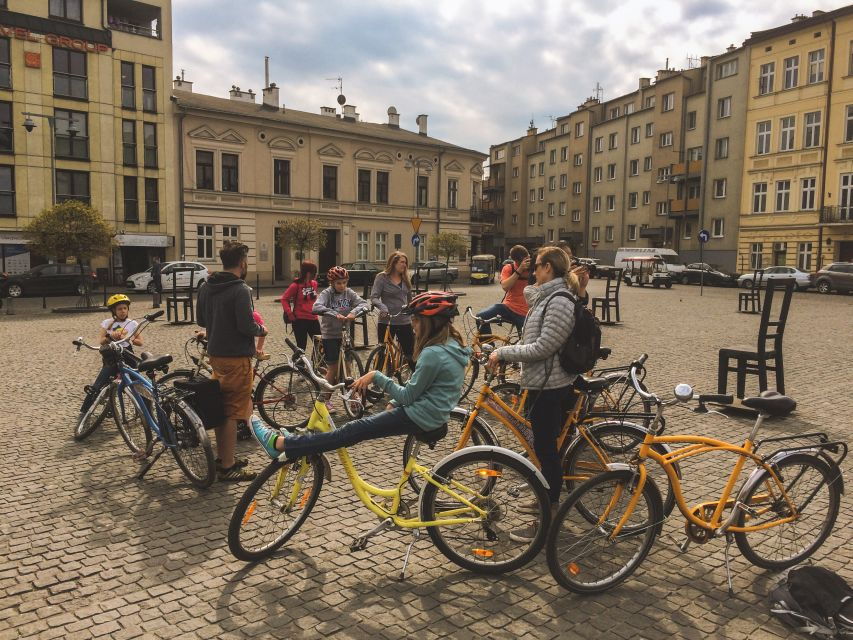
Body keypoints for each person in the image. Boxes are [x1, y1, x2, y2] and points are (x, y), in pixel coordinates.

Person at [250, 292, 471, 461]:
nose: (412, 325)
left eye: (415, 320)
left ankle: (281, 444)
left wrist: (376, 376)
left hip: (422, 416)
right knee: (356, 429)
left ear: (428, 321)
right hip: (432, 412)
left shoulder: (432, 354)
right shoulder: (451, 345)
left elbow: (409, 395)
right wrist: (394, 400)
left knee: (353, 429)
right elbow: (424, 389)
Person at [486, 247, 580, 540]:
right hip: (540, 383)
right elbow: (528, 298)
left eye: (537, 266)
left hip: (551, 387)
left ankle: (547, 516)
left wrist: (505, 352)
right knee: (542, 448)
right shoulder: (548, 296)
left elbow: (543, 347)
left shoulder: (560, 302)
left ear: (549, 268)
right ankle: (544, 497)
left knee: (547, 452)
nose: (531, 271)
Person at [197, 241, 267, 481]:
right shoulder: (241, 290)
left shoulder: (207, 286)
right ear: (242, 262)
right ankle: (227, 466)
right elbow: (246, 326)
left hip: (216, 355)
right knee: (232, 412)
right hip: (237, 357)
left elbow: (201, 320)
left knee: (222, 407)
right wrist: (261, 329)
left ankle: (224, 458)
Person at [78, 294, 142, 419]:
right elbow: (101, 341)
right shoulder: (108, 323)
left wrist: (128, 338)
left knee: (138, 383)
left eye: (124, 308)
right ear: (114, 311)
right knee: (100, 383)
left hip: (128, 354)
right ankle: (85, 411)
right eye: (119, 309)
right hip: (112, 355)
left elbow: (140, 342)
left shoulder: (133, 324)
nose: (122, 311)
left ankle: (145, 410)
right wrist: (110, 336)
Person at [312, 266, 369, 406]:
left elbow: (363, 303)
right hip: (330, 335)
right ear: (332, 283)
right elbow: (316, 307)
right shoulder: (327, 293)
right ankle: (323, 402)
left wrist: (353, 313)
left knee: (348, 368)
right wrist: (333, 313)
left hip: (345, 334)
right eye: (338, 283)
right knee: (332, 369)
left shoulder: (349, 293)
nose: (342, 286)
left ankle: (353, 399)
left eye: (344, 282)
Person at [370, 251, 414, 367]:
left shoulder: (406, 278)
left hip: (404, 321)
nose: (404, 265)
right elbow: (374, 297)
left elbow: (410, 299)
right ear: (394, 263)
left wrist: (414, 313)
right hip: (387, 320)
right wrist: (383, 307)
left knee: (411, 354)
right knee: (382, 352)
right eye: (402, 262)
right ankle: (377, 380)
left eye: (405, 263)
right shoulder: (382, 277)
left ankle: (415, 380)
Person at [475, 244, 530, 338]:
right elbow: (505, 286)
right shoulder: (509, 268)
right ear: (515, 261)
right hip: (508, 307)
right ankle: (488, 349)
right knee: (481, 318)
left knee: (525, 341)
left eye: (528, 258)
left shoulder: (535, 269)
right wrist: (519, 270)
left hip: (525, 312)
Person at [280, 261, 321, 351]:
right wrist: (290, 314)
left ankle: (317, 364)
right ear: (308, 273)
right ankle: (299, 365)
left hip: (314, 319)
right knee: (301, 348)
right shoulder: (295, 285)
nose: (316, 274)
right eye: (315, 272)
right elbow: (284, 299)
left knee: (320, 346)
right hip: (300, 320)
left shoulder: (314, 284)